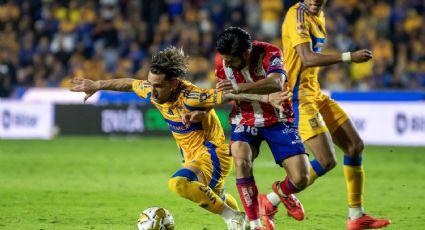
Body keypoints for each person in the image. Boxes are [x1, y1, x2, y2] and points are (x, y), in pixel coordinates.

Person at [217, 1, 391, 229]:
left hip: (314, 92)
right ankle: (269, 202)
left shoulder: (319, 17)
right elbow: (307, 58)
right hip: (298, 97)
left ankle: (356, 215)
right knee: (325, 161)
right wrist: (348, 57)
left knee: (354, 146)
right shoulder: (296, 15)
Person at [70, 46, 272, 230]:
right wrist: (97, 84)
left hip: (213, 152)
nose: (152, 91)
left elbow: (231, 96)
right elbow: (131, 84)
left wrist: (269, 98)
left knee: (179, 182)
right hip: (193, 156)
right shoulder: (153, 90)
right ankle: (242, 222)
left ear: (174, 83)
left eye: (158, 86)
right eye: (151, 84)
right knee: (216, 197)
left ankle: (233, 217)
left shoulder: (192, 97)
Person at [215, 27, 310, 230]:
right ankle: (255, 223)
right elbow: (227, 95)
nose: (226, 63)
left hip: (278, 117)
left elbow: (277, 82)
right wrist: (232, 94)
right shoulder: (222, 62)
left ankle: (279, 193)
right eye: (225, 59)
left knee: (301, 178)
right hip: (245, 118)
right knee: (240, 157)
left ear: (246, 53)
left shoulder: (270, 52)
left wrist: (241, 88)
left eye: (231, 60)